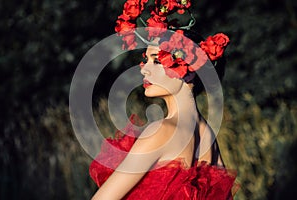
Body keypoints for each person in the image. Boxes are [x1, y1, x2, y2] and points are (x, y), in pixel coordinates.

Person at [89, 0, 237, 199]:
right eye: (146, 59)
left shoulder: (162, 131)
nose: (144, 68)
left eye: (157, 60)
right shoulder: (208, 136)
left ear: (190, 72)